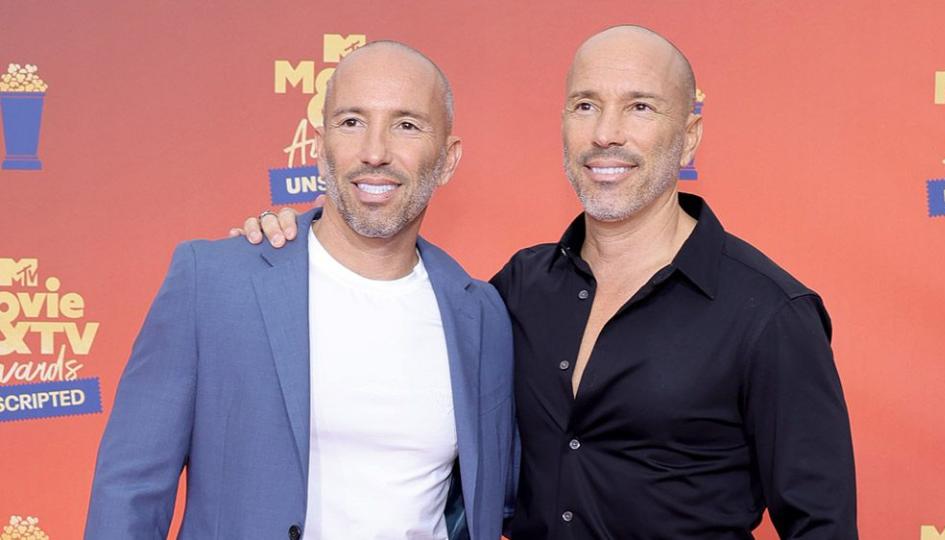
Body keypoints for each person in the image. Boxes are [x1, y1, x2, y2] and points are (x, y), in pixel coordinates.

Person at [238, 26, 858, 539]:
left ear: (689, 134)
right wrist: (304, 242)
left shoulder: (771, 314)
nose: (605, 133)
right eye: (585, 105)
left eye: (639, 107)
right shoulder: (514, 290)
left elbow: (822, 526)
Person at [86, 41, 516, 540]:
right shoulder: (214, 282)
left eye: (406, 125)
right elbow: (129, 492)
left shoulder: (481, 313)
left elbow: (500, 497)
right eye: (352, 122)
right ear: (318, 145)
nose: (375, 152)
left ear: (447, 159)